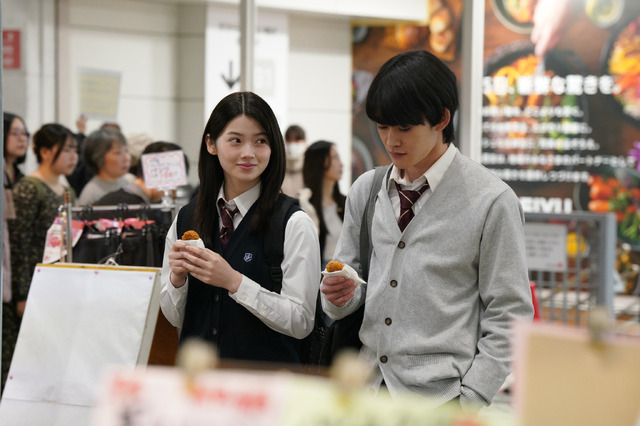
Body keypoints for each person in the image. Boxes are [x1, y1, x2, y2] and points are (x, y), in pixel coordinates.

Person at [320, 50, 534, 412]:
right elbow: (345, 293)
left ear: (442, 119)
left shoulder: (491, 201)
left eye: (404, 128)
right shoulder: (366, 190)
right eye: (383, 126)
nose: (391, 141)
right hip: (365, 390)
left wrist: (471, 398)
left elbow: (510, 313)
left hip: (441, 399)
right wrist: (338, 297)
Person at [160, 92, 321, 364]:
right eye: (235, 140)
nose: (249, 153)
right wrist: (177, 279)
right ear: (211, 144)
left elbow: (302, 321)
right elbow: (175, 316)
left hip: (265, 384)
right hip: (199, 382)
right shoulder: (186, 218)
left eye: (261, 141)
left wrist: (234, 282)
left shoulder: (294, 223)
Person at [4, 123, 78, 392]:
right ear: (45, 152)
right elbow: (19, 244)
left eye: (75, 150)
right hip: (34, 284)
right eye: (66, 150)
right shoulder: (29, 188)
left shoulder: (67, 190)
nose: (73, 156)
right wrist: (22, 294)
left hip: (60, 285)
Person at [1, 112, 29, 395]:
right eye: (16, 133)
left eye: (25, 133)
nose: (23, 139)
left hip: (15, 274)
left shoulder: (18, 178)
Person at [299, 140, 346, 266]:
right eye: (335, 158)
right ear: (321, 162)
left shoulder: (346, 203)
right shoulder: (304, 205)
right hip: (319, 271)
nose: (341, 164)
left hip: (346, 270)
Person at [77, 127, 140, 206]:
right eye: (118, 153)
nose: (126, 158)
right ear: (98, 158)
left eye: (126, 151)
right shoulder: (91, 194)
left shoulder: (128, 184)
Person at [281, 124, 306, 198]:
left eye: (297, 140)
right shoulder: (278, 166)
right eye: (289, 140)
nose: (292, 143)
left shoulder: (310, 166)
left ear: (304, 141)